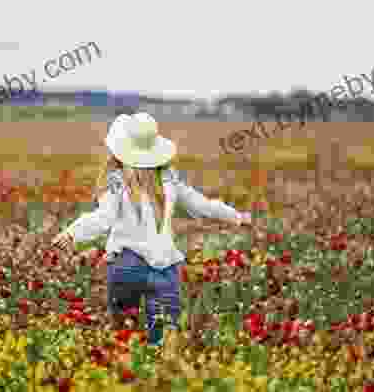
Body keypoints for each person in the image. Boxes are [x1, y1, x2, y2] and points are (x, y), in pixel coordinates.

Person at [52, 112, 252, 347]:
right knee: (162, 342)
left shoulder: (115, 180)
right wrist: (236, 217)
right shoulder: (169, 178)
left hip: (126, 266)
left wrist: (72, 232)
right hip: (164, 267)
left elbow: (102, 219)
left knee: (122, 338)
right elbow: (201, 205)